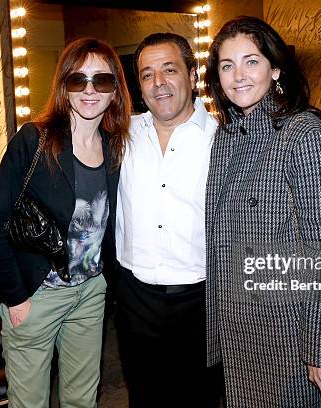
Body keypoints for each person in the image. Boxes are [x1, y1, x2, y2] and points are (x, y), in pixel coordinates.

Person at [204, 16, 321, 407]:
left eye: (251, 61)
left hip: (294, 338)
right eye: (227, 65)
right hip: (242, 333)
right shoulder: (225, 138)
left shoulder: (305, 137)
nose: (238, 75)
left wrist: (320, 351)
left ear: (275, 69)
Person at [0, 37, 131, 408]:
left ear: (114, 92)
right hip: (37, 295)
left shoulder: (116, 148)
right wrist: (16, 296)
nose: (90, 90)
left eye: (102, 81)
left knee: (82, 401)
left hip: (90, 295)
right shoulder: (35, 141)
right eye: (78, 80)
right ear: (64, 86)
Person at [114, 33, 220, 408]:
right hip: (134, 297)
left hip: (203, 299)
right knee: (143, 396)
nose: (158, 83)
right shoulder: (120, 135)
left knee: (201, 398)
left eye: (169, 70)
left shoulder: (222, 140)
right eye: (146, 74)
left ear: (193, 76)